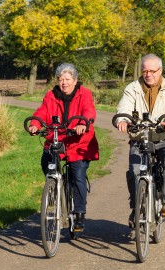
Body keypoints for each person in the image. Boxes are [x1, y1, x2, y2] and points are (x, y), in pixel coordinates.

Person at [114, 54, 165, 226]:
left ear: (160, 71)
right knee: (134, 170)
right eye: (145, 70)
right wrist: (122, 120)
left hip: (164, 136)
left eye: (152, 71)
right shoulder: (132, 88)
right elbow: (123, 107)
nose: (148, 74)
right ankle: (136, 208)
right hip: (140, 137)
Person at [28, 63, 99, 232]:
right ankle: (54, 187)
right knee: (46, 160)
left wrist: (83, 123)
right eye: (61, 79)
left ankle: (79, 212)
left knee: (78, 174)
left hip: (79, 141)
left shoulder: (85, 94)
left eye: (67, 79)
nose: (64, 83)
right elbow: (42, 112)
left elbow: (89, 111)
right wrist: (35, 124)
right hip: (57, 139)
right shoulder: (51, 95)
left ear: (75, 80)